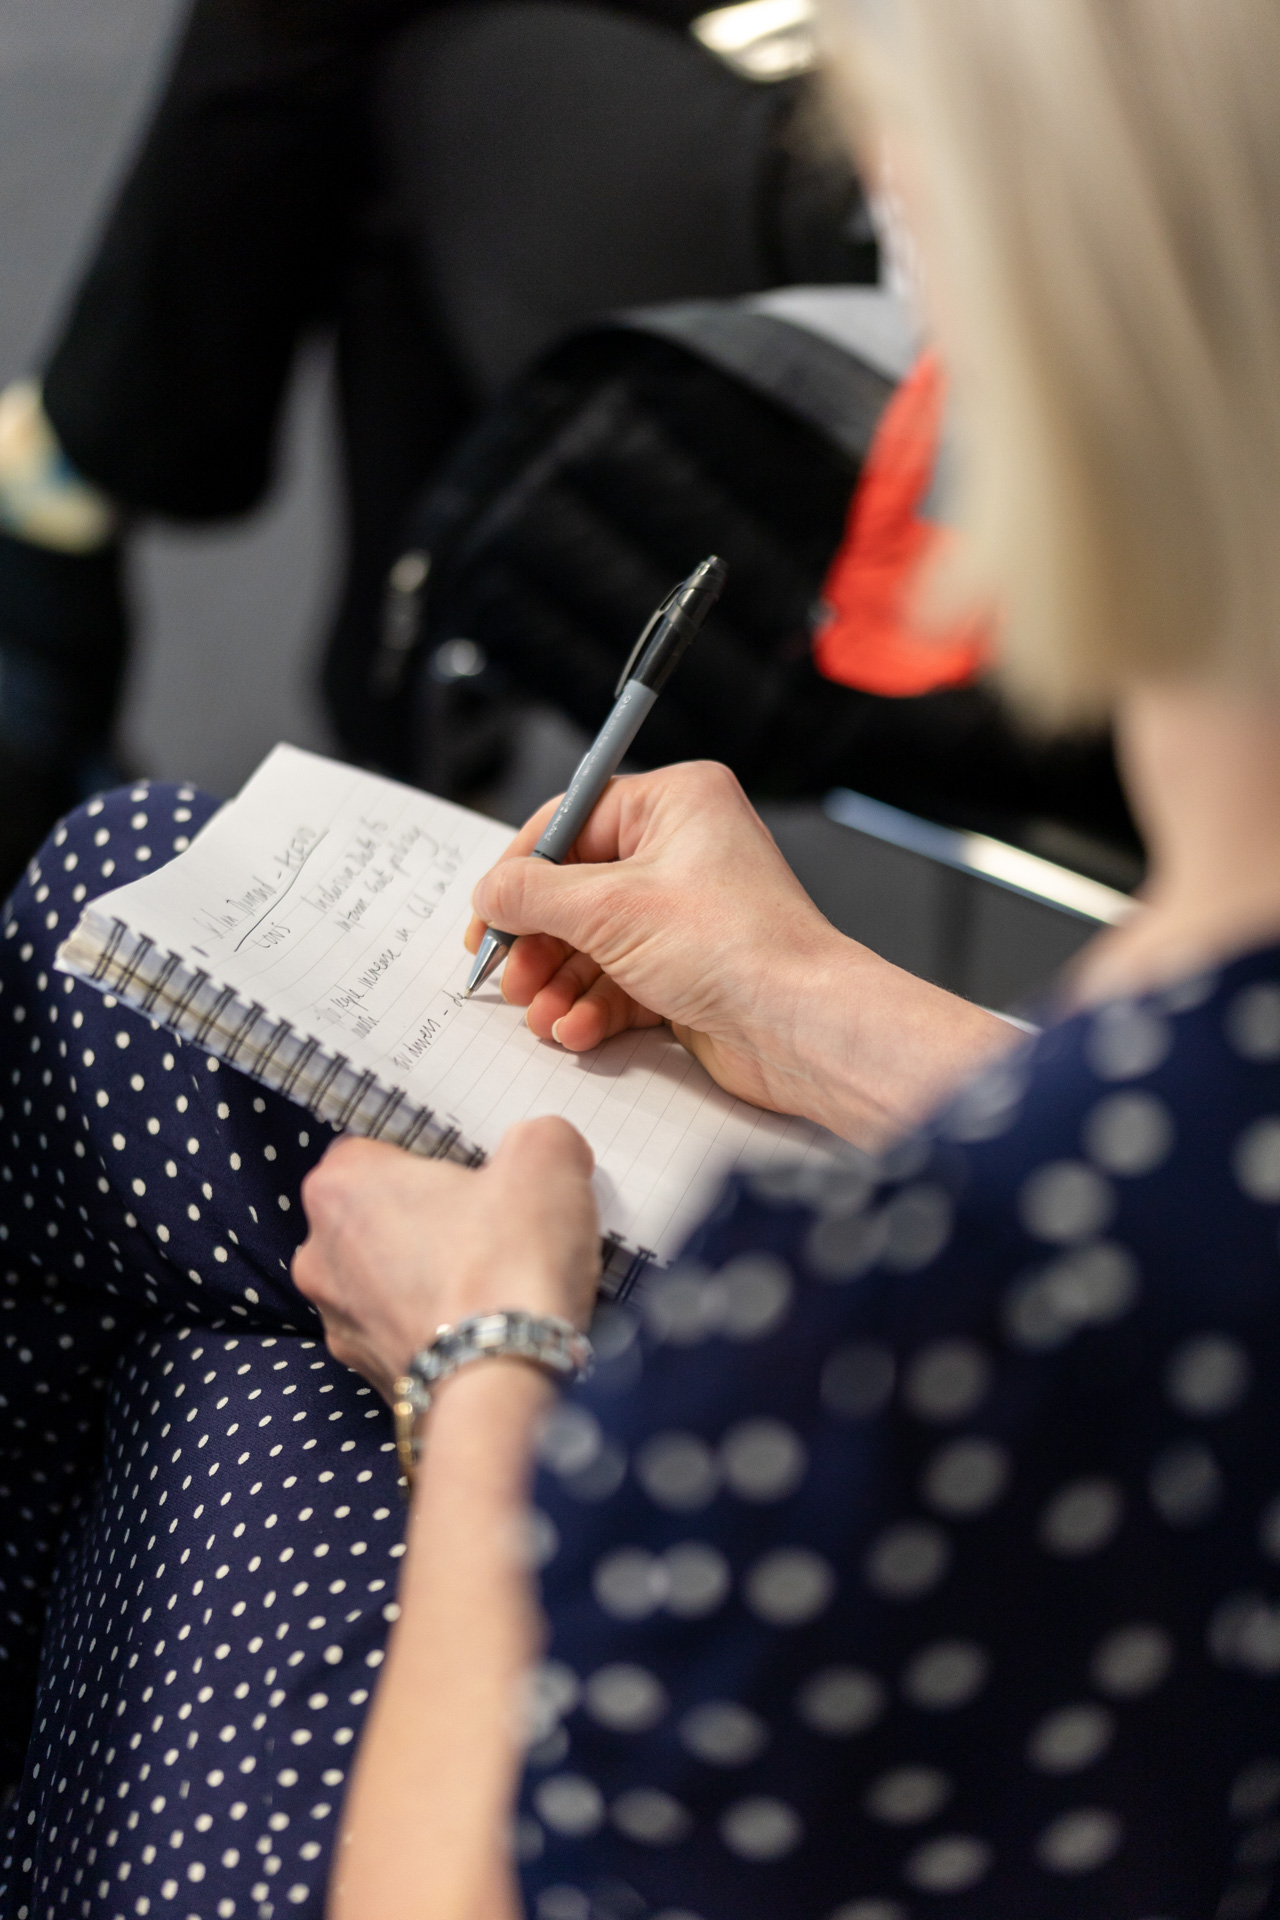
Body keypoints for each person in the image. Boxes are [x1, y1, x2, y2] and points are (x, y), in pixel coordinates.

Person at [3, 4, 1280, 1920]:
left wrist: (484, 1371)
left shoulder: (890, 1355)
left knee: (147, 1135)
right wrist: (826, 1010)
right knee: (134, 897)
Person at [0, 0, 874, 889]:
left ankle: (84, 474)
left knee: (398, 79)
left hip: (915, 215)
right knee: (374, 74)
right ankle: (397, 732)